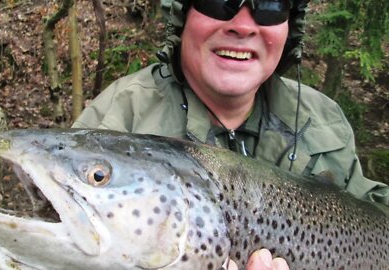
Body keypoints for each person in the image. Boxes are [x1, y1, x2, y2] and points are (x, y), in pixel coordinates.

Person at [72, 0, 389, 269]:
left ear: (290, 25)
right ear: (184, 13)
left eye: (270, 4)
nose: (244, 26)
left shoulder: (323, 118)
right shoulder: (114, 123)